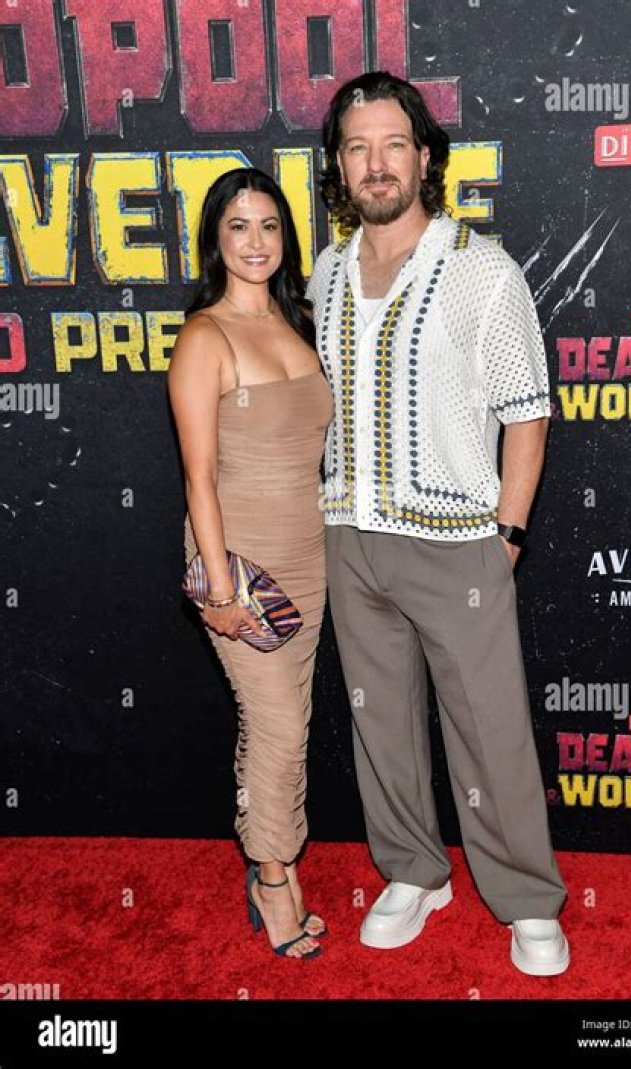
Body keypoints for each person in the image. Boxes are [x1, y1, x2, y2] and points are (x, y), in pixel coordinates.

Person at [305, 72, 570, 975]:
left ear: (424, 157)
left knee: (489, 729)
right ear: (340, 165)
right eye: (357, 148)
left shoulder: (479, 271)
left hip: (459, 542)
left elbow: (528, 414)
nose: (376, 163)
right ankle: (414, 870)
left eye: (393, 145)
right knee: (379, 724)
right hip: (349, 533)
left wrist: (508, 535)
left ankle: (527, 897)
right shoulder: (327, 272)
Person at [167, 167, 334, 960]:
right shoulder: (205, 337)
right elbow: (197, 475)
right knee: (278, 726)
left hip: (307, 553)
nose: (256, 241)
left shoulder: (299, 323)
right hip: (239, 561)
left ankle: (278, 857)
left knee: (285, 719)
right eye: (238, 226)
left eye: (269, 225)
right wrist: (220, 585)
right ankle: (272, 876)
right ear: (215, 239)